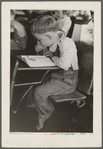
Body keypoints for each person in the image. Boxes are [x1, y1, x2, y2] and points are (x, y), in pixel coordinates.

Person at [30, 15, 79, 130]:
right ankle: (39, 106)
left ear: (49, 36)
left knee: (39, 92)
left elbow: (64, 64)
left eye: (40, 39)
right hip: (56, 77)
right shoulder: (53, 41)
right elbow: (44, 53)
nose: (38, 42)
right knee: (34, 85)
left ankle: (45, 113)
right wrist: (42, 50)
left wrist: (52, 57)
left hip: (68, 81)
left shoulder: (66, 43)